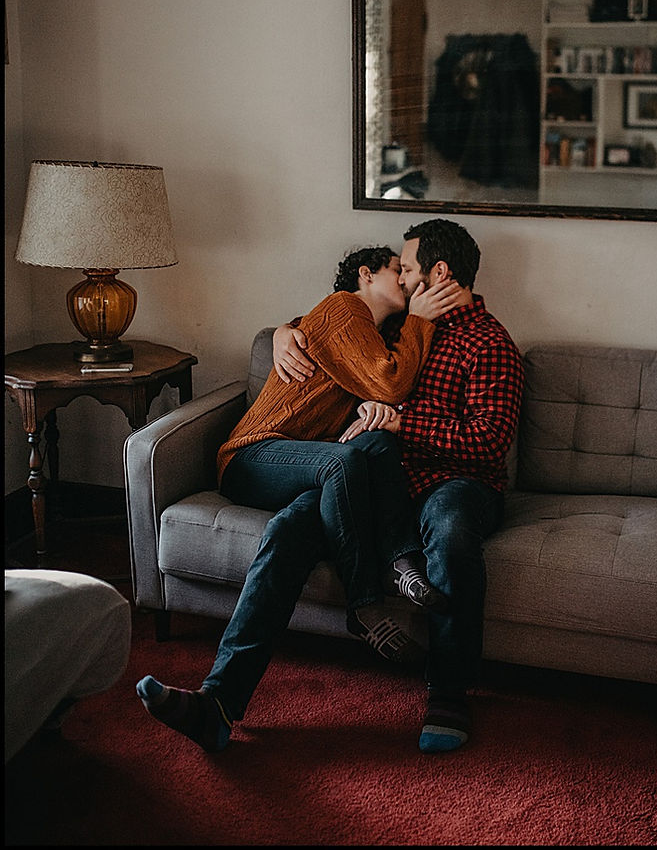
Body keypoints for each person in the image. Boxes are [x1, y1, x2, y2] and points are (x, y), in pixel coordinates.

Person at [136, 245, 460, 752]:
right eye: (397, 271)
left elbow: (362, 368)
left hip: (308, 472)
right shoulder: (345, 309)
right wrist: (418, 321)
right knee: (344, 458)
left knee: (287, 533)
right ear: (365, 274)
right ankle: (366, 603)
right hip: (253, 456)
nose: (406, 281)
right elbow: (390, 382)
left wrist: (289, 328)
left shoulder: (368, 334)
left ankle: (216, 706)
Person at [274, 218, 524, 753]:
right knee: (294, 521)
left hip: (457, 482)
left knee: (452, 529)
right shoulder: (398, 327)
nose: (402, 278)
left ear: (438, 272)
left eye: (407, 268)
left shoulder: (490, 343)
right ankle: (227, 687)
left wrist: (401, 422)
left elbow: (487, 442)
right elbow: (338, 323)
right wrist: (283, 331)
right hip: (381, 475)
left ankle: (448, 690)